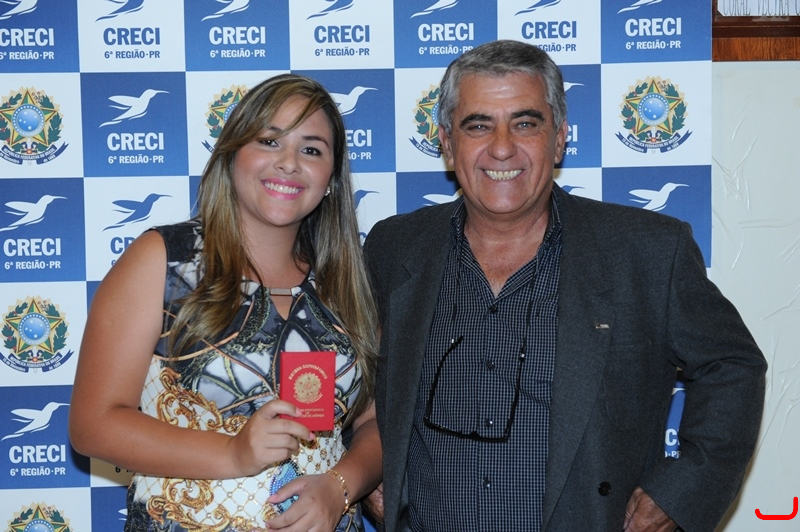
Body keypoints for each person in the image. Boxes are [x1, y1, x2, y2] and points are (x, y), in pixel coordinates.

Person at [363, 40, 766, 531]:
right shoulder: (393, 247)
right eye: (479, 125)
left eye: (525, 124)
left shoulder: (648, 251)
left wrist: (678, 494)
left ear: (559, 139)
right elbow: (354, 369)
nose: (502, 147)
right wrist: (368, 471)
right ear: (447, 142)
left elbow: (734, 366)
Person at [69, 73, 382, 532]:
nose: (289, 163)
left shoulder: (348, 278)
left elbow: (375, 422)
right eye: (269, 141)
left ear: (332, 179)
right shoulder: (164, 261)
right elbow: (93, 424)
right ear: (232, 155)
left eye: (312, 150)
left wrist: (341, 486)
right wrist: (233, 453)